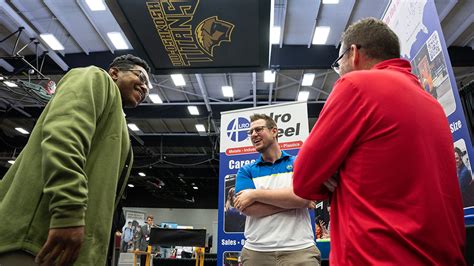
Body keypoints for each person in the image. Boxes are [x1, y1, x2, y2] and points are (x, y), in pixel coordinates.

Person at [292, 17, 466, 265]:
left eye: (338, 64)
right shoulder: (433, 104)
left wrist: (334, 176)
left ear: (353, 54)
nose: (339, 72)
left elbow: (302, 179)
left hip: (376, 255)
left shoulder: (356, 85)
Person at [0, 54, 151, 265]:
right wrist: (68, 212)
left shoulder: (117, 122)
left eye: (149, 86)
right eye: (141, 77)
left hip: (68, 251)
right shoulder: (95, 78)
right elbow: (64, 136)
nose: (145, 87)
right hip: (36, 243)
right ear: (115, 72)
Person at [233, 113, 320, 266]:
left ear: (274, 131)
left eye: (258, 129)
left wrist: (255, 194)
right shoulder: (245, 171)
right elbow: (248, 209)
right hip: (256, 252)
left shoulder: (298, 163)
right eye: (251, 132)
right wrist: (295, 201)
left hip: (300, 249)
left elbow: (305, 197)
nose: (253, 134)